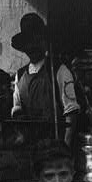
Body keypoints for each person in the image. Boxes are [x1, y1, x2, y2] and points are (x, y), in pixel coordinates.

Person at [11, 13, 80, 147]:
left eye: (37, 41)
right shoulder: (19, 76)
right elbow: (17, 109)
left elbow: (71, 113)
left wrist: (65, 146)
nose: (32, 47)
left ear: (44, 42)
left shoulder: (60, 71)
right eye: (28, 43)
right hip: (30, 147)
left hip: (55, 146)